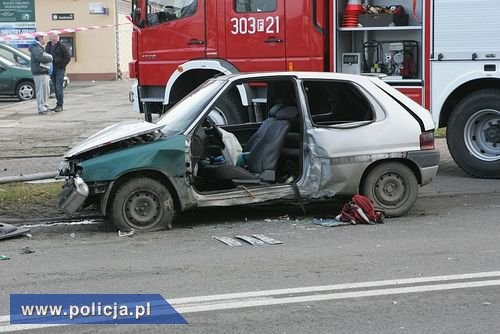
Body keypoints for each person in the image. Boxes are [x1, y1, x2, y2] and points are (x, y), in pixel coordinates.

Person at [45, 34, 70, 112]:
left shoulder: (62, 46)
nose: (56, 38)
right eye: (54, 36)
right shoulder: (48, 46)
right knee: (55, 86)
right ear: (51, 37)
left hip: (59, 69)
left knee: (58, 87)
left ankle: (60, 105)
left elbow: (67, 57)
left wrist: (61, 66)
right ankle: (57, 104)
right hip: (51, 68)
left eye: (57, 36)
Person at [28, 36, 53, 115]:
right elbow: (40, 57)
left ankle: (45, 105)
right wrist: (50, 57)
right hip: (39, 72)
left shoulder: (39, 47)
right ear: (39, 38)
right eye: (44, 38)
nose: (46, 39)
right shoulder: (35, 47)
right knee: (41, 91)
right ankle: (41, 108)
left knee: (46, 90)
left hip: (43, 71)